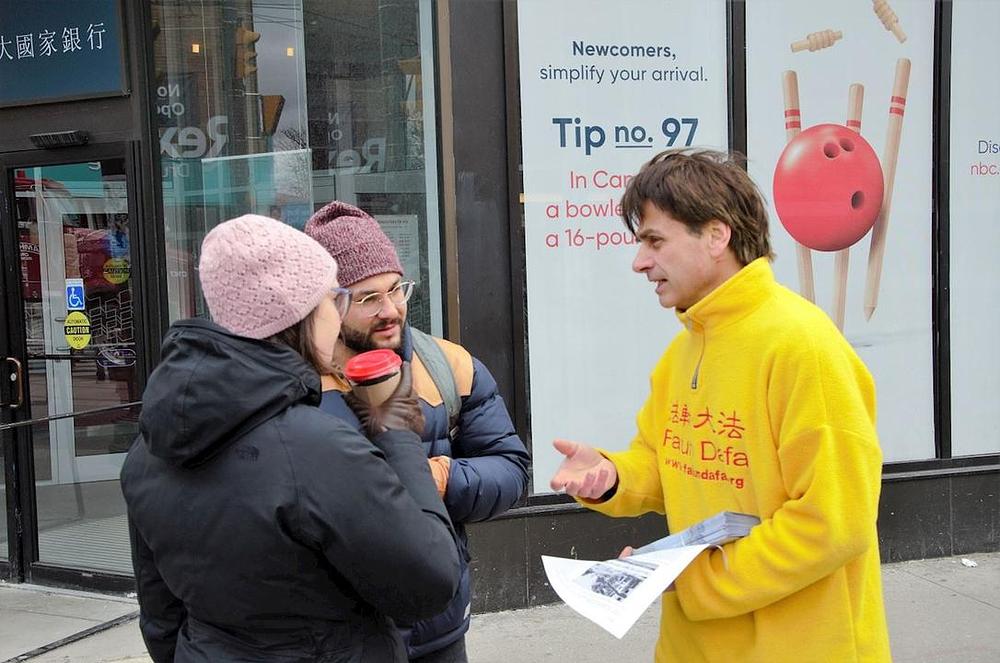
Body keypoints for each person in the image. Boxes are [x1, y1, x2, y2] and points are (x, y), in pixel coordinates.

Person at [550, 150, 891, 662]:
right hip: (695, 645)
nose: (639, 262)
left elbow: (832, 522)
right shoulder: (683, 350)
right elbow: (665, 465)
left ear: (716, 235)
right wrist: (611, 476)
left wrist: (700, 579)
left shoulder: (803, 346)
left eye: (655, 241)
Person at [120, 214, 461, 662]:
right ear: (299, 314)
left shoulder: (146, 452)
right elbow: (429, 583)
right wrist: (396, 430)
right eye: (332, 299)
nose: (338, 316)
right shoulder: (318, 450)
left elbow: (160, 616)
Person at [305, 201, 530, 662]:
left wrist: (445, 476)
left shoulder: (448, 366)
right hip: (336, 636)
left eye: (397, 290)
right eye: (368, 299)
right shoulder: (293, 384)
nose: (391, 310)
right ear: (330, 302)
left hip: (437, 630)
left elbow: (511, 469)